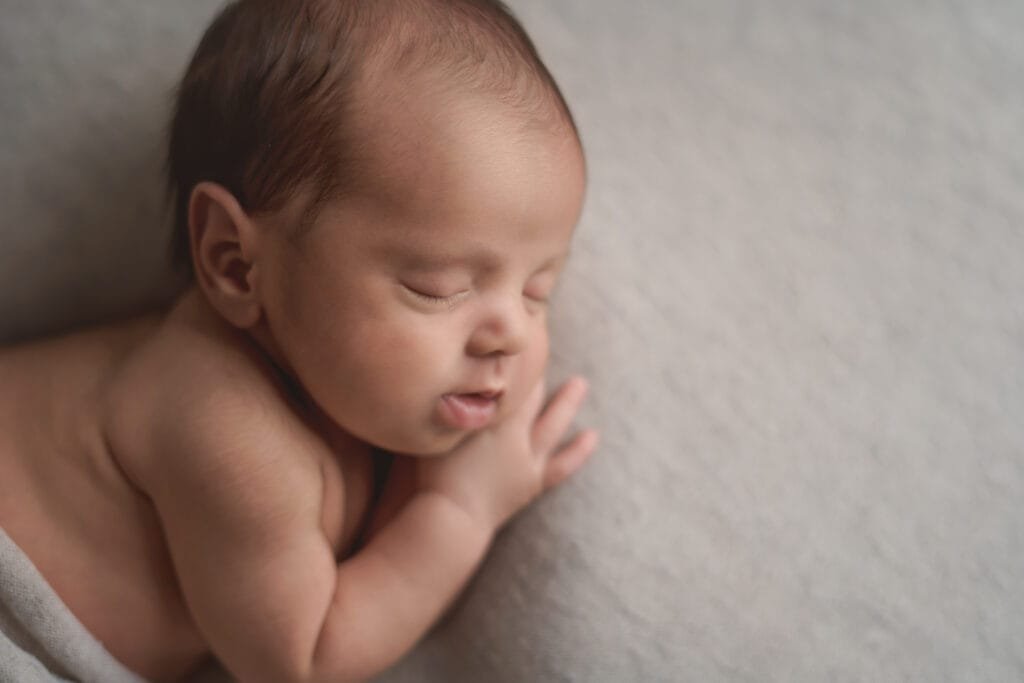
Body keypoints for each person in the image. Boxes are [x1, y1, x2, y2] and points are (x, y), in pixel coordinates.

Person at [0, 0, 597, 680]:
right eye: (437, 286)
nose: (513, 334)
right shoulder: (227, 429)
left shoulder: (339, 388)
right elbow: (304, 659)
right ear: (234, 263)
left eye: (537, 290)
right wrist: (458, 508)